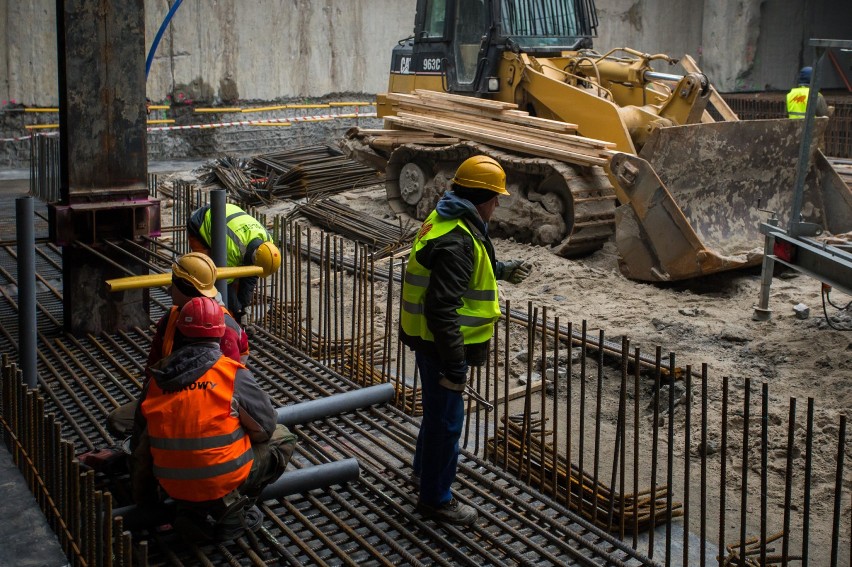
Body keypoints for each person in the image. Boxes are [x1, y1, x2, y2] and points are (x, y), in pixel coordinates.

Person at [399, 155, 532, 526]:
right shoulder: (458, 240)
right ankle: (436, 499)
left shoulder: (446, 219)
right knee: (447, 422)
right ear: (480, 198)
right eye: (495, 197)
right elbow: (443, 308)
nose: (498, 204)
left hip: (427, 341)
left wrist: (500, 270)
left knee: (436, 414)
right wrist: (456, 363)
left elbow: (460, 268)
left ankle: (423, 474)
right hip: (441, 346)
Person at [129, 296, 297, 542]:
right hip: (221, 481)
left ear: (179, 332)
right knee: (283, 437)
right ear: (220, 334)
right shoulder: (230, 373)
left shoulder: (157, 380)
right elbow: (266, 429)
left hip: (173, 486)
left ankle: (191, 510)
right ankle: (233, 510)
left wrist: (146, 502)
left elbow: (139, 448)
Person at [106, 252, 249, 437]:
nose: (170, 287)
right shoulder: (171, 318)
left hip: (210, 406)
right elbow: (153, 370)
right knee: (118, 421)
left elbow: (233, 386)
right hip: (172, 397)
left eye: (174, 281)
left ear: (185, 286)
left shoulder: (225, 328)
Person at [187, 203, 281, 324]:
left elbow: (250, 277)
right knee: (206, 273)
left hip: (226, 213)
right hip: (200, 223)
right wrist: (237, 311)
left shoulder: (268, 243)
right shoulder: (231, 250)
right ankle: (204, 312)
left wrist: (244, 307)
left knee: (236, 286)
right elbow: (224, 284)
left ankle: (231, 319)